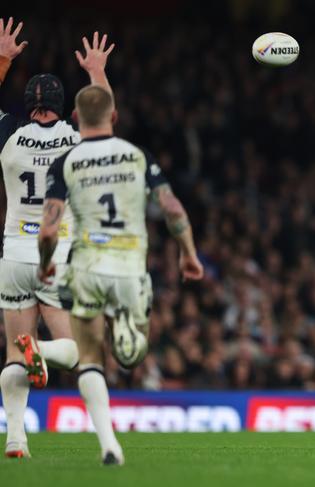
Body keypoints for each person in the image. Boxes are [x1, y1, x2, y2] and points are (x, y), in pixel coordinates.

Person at [38, 83, 204, 465]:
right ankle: (127, 331)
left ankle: (110, 445)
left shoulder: (66, 161)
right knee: (131, 358)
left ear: (76, 119)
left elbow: (49, 229)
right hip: (130, 267)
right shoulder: (137, 156)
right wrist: (188, 254)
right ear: (114, 117)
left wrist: (47, 261)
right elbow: (174, 209)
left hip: (87, 267)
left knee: (90, 358)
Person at [0, 19, 114, 459]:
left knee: (13, 352)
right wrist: (96, 71)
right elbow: (105, 112)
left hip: (13, 252)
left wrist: (5, 60)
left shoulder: (8, 134)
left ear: (27, 106)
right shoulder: (73, 136)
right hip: (59, 254)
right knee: (78, 348)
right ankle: (42, 350)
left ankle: (15, 439)